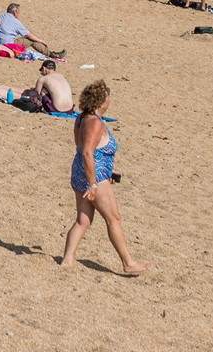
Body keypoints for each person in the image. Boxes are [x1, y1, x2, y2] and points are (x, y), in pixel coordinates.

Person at [59, 80, 144, 278]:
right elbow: (88, 153)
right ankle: (128, 263)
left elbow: (84, 150)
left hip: (81, 171)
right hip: (93, 175)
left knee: (83, 220)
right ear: (101, 101)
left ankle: (68, 259)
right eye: (108, 97)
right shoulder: (95, 123)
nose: (110, 101)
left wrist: (107, 171)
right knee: (113, 218)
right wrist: (93, 182)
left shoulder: (81, 118)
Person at [0, 3, 65, 58]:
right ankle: (52, 54)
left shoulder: (0, 16)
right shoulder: (16, 22)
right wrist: (41, 41)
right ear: (15, 12)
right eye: (18, 11)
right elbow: (28, 35)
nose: (19, 13)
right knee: (31, 40)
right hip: (9, 46)